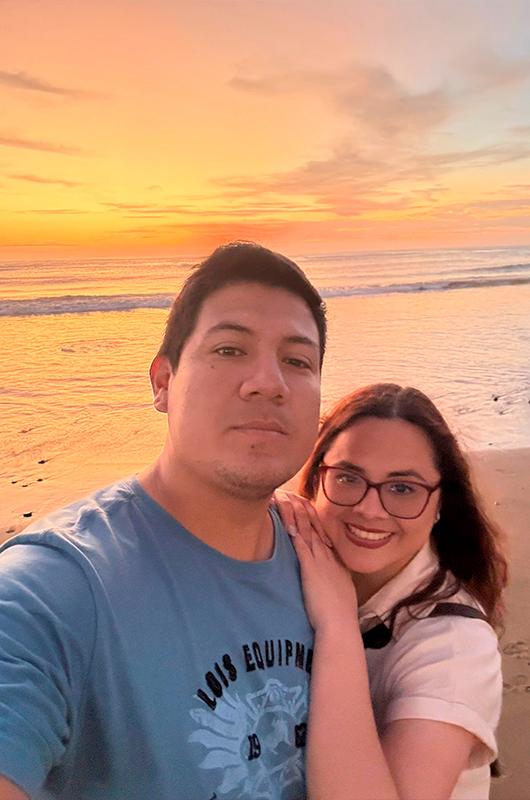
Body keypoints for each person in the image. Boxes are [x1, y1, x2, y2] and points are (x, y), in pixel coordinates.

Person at [0, 242, 327, 800]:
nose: (268, 382)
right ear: (163, 382)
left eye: (298, 361)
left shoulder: (324, 562)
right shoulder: (56, 590)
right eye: (229, 349)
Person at [275, 383, 507, 800]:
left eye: (402, 488)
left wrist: (337, 624)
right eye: (348, 478)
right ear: (315, 480)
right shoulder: (291, 566)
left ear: (440, 504)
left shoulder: (456, 648)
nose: (369, 508)